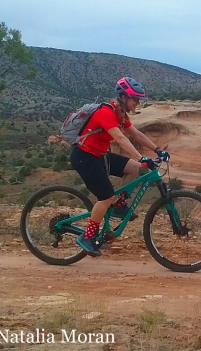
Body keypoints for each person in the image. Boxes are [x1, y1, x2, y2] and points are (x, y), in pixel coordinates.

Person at [71, 76, 169, 257]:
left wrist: (157, 150)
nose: (138, 103)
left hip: (99, 156)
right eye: (136, 99)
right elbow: (120, 138)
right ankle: (87, 236)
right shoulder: (106, 113)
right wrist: (141, 157)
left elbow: (137, 134)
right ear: (124, 97)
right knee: (106, 197)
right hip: (84, 157)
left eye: (139, 100)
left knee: (132, 168)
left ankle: (119, 205)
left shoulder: (120, 114)